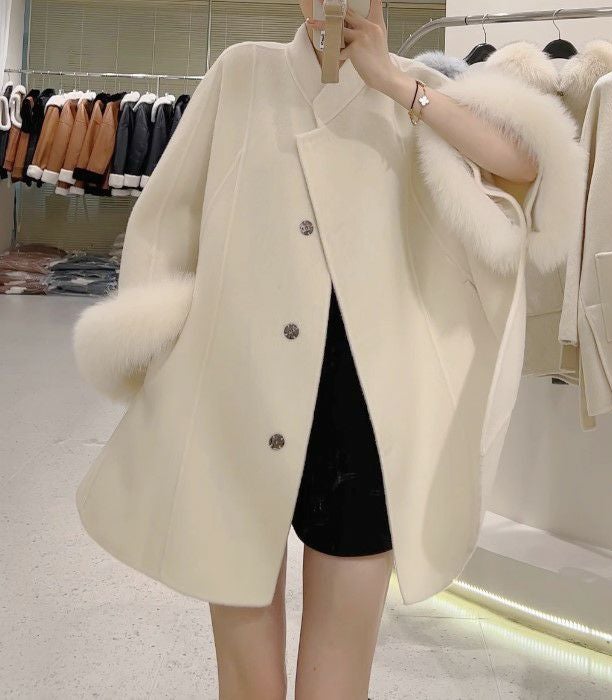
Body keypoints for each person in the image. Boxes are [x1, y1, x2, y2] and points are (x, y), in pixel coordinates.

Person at [72, 0, 584, 697]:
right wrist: (157, 353)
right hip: (236, 390)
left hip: (363, 410)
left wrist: (392, 82)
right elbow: (168, 215)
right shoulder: (243, 72)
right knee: (246, 672)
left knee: (338, 673)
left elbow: (526, 167)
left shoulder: (413, 90)